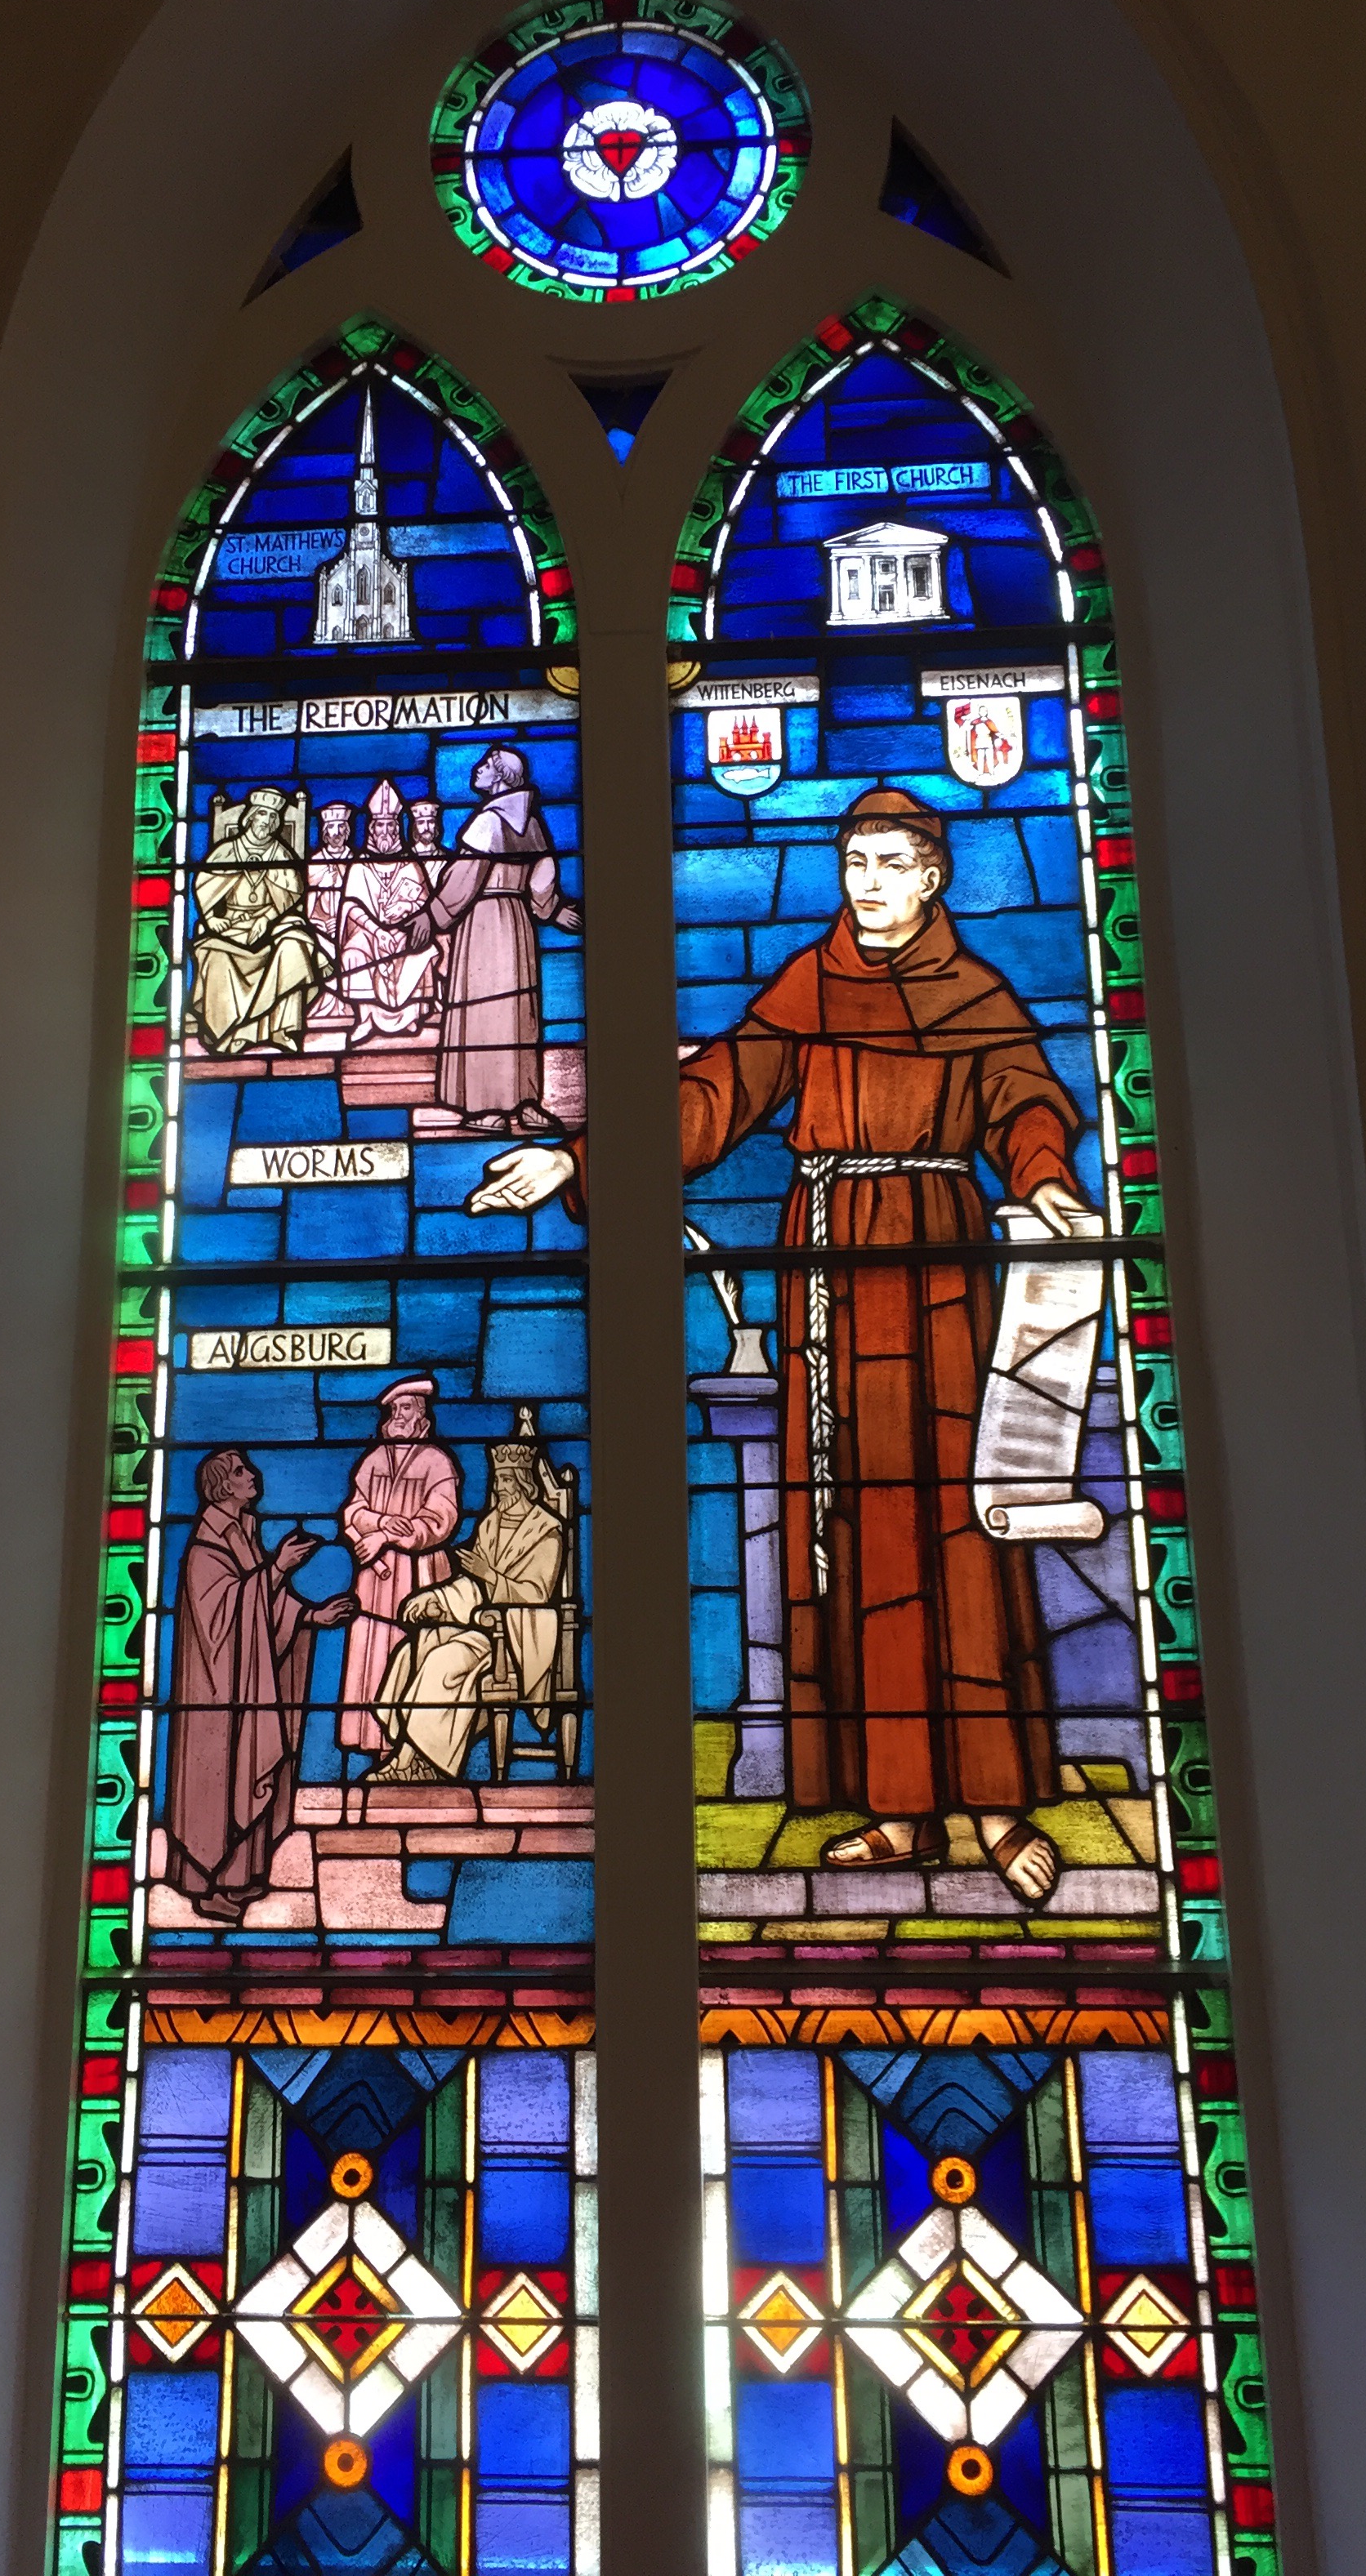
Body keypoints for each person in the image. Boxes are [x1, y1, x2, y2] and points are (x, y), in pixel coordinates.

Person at [466, 787, 1088, 1903]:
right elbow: (712, 1096)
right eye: (855, 863)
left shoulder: (976, 995)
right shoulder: (811, 985)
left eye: (891, 864)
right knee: (848, 1528)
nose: (869, 884)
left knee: (954, 1518)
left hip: (936, 1266)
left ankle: (996, 1804)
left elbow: (1027, 1103)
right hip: (829, 1269)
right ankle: (898, 1807)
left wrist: (1043, 1181)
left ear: (934, 875)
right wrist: (577, 1159)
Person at [160, 1447, 353, 1918]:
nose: (252, 1475)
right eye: (241, 1470)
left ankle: (239, 1878)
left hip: (243, 1689)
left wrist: (310, 1616)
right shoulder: (206, 1547)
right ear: (222, 1485)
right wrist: (279, 1566)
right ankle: (207, 1884)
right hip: (215, 1696)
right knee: (221, 1780)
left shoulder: (243, 1533)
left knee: (247, 1775)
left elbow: (263, 1607)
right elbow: (223, 1616)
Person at [392, 743, 580, 1134]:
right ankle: (525, 1102)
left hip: (483, 920)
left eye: (485, 765)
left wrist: (433, 915)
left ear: (500, 777)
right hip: (517, 921)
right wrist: (550, 910)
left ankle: (487, 1107)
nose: (477, 770)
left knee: (484, 1007)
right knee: (518, 1009)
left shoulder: (489, 822)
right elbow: (542, 877)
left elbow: (465, 878)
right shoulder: (531, 822)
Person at [369, 1431, 569, 1782]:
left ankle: (421, 1764)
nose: (499, 1488)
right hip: (483, 1629)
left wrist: (489, 1575)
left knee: (443, 1661)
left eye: (506, 1480)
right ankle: (408, 1757)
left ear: (524, 1483)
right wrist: (436, 1601)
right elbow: (474, 1586)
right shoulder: (491, 1524)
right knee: (415, 1649)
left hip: (517, 1637)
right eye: (498, 1480)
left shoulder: (547, 1530)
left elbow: (537, 1594)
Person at [336, 1377, 463, 1754]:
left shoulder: (437, 1461)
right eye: (394, 1409)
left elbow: (440, 1520)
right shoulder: (375, 1458)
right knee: (372, 1648)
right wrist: (379, 1524)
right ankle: (372, 1740)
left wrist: (386, 1537)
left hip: (418, 1574)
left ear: (421, 1413)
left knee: (412, 1648)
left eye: (406, 1408)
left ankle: (412, 1746)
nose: (398, 1416)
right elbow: (353, 1511)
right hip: (374, 1578)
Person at [185, 785, 333, 1054]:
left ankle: (281, 1029)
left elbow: (292, 896)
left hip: (271, 925)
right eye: (262, 815)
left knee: (294, 946)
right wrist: (210, 919)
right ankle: (230, 1033)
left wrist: (267, 918)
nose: (266, 822)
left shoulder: (281, 854)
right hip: (231, 925)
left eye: (272, 817)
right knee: (215, 956)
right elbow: (205, 889)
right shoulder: (227, 851)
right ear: (251, 817)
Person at [337, 778, 440, 1040]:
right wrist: (378, 930)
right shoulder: (359, 866)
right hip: (368, 934)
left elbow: (425, 905)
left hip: (404, 932)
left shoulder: (410, 864)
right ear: (372, 829)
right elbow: (351, 907)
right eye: (380, 825)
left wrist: (406, 912)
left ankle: (411, 1014)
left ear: (398, 828)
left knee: (421, 947)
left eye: (390, 825)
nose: (385, 831)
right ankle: (365, 1017)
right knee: (353, 953)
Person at [301, 796, 359, 1035]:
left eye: (341, 827)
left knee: (357, 946)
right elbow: (307, 907)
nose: (337, 833)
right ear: (325, 832)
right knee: (316, 944)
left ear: (347, 830)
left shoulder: (356, 861)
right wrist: (321, 924)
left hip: (352, 927)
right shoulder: (315, 863)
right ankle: (329, 1002)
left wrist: (344, 923)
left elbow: (363, 901)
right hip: (321, 927)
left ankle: (350, 1002)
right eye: (332, 828)